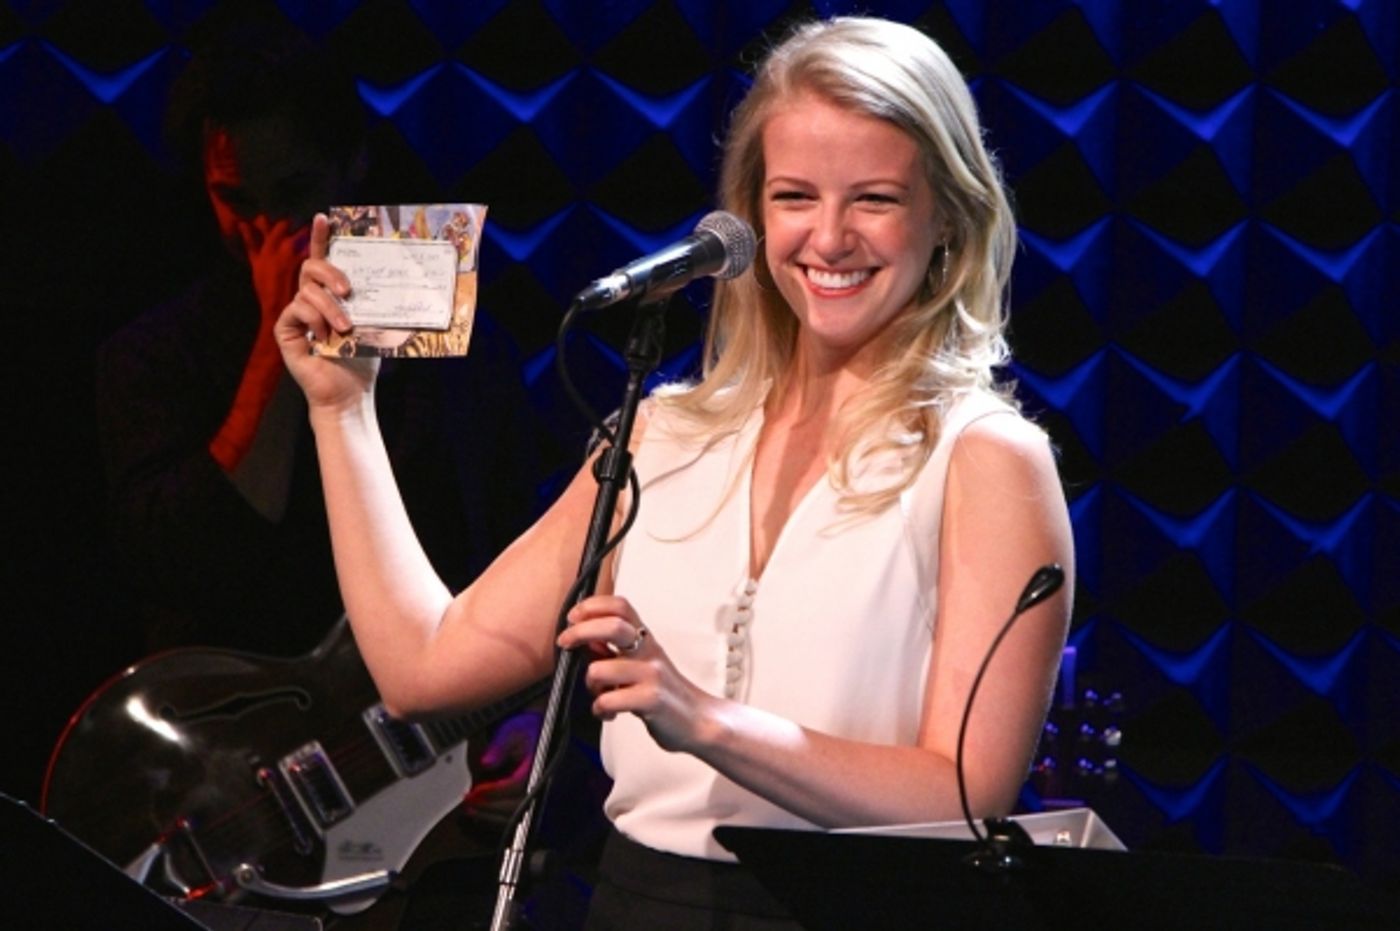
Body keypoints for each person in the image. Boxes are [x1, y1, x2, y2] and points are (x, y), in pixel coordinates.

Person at [277, 15, 1074, 929]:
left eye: (876, 199)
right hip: (639, 902)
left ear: (946, 220)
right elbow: (424, 666)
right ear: (747, 217)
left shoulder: (984, 457)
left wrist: (704, 721)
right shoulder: (661, 435)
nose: (829, 236)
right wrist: (341, 412)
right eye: (794, 196)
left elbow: (967, 796)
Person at [93, 8, 558, 927]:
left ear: (353, 169)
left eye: (293, 197)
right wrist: (278, 352)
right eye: (237, 203)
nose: (268, 232)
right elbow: (185, 555)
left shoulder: (462, 348)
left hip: (419, 786)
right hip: (233, 793)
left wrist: (527, 723)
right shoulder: (152, 355)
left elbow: (525, 551)